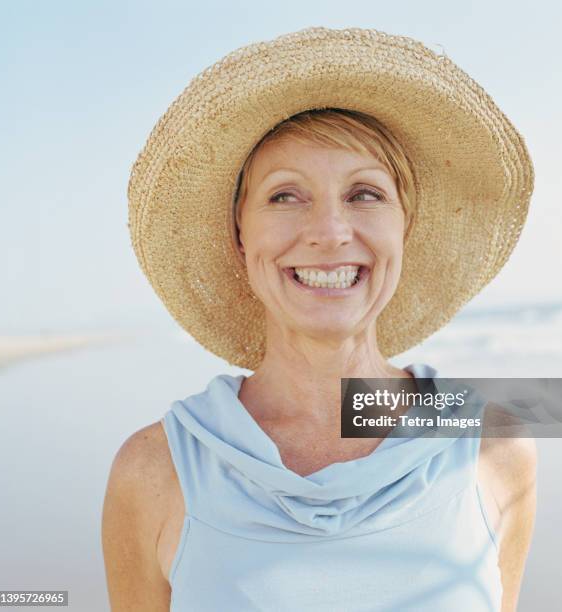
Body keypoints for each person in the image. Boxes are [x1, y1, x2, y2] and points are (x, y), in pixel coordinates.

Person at [102, 27, 537, 611]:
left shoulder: (495, 445)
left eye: (365, 195)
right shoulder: (155, 470)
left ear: (404, 229)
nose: (331, 233)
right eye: (285, 196)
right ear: (238, 236)